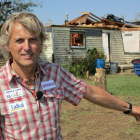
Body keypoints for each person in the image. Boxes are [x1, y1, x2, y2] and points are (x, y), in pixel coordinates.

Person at [0, 12, 140, 140]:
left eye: (32, 40)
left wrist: (129, 108)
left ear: (41, 43)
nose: (27, 47)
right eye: (19, 40)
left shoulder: (54, 74)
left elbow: (90, 92)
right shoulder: (1, 84)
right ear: (7, 45)